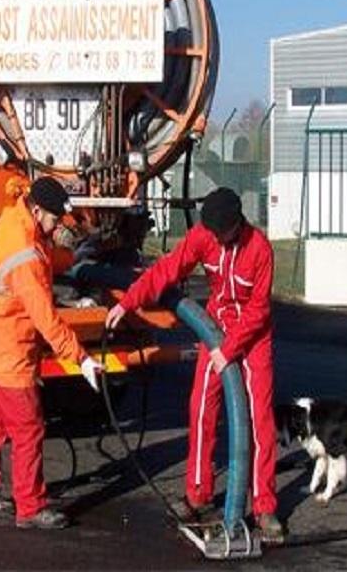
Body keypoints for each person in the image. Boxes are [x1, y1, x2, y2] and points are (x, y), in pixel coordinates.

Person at [105, 187, 284, 544]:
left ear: (237, 225)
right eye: (212, 233)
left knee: (259, 419)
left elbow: (259, 309)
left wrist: (230, 348)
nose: (215, 238)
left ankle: (264, 505)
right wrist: (128, 303)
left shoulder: (260, 249)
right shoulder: (204, 235)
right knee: (201, 408)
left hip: (251, 339)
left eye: (222, 233)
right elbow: (167, 269)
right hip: (214, 329)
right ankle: (198, 493)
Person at [0, 176, 103, 530]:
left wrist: (71, 257)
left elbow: (41, 256)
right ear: (38, 210)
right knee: (28, 429)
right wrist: (82, 358)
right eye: (55, 220)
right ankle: (31, 506)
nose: (57, 225)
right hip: (11, 353)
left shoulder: (16, 220)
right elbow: (45, 316)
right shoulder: (22, 250)